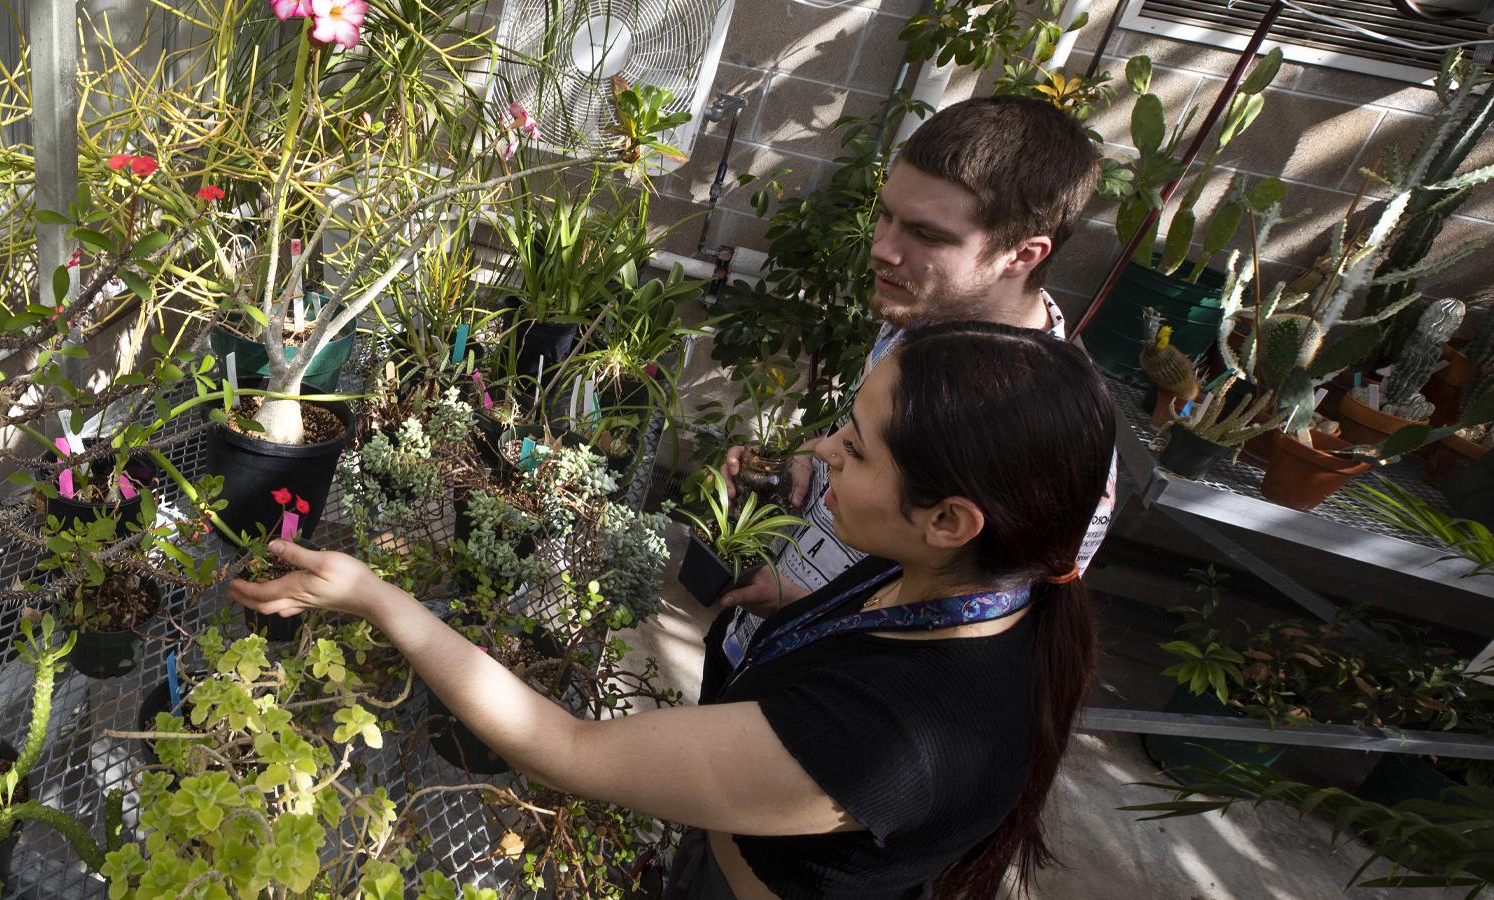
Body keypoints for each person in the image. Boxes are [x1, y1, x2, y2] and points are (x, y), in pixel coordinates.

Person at [232, 322, 1116, 899]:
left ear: (951, 520)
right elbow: (877, 641)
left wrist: (374, 597)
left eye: (857, 446)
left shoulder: (897, 738)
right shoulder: (975, 585)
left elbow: (569, 749)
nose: (828, 454)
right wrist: (799, 603)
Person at [720, 94, 1115, 621]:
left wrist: (814, 614)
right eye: (886, 215)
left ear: (1022, 255)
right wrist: (802, 467)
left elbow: (1005, 621)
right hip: (761, 632)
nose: (882, 247)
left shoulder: (1053, 430)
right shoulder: (918, 316)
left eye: (926, 234)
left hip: (831, 676)